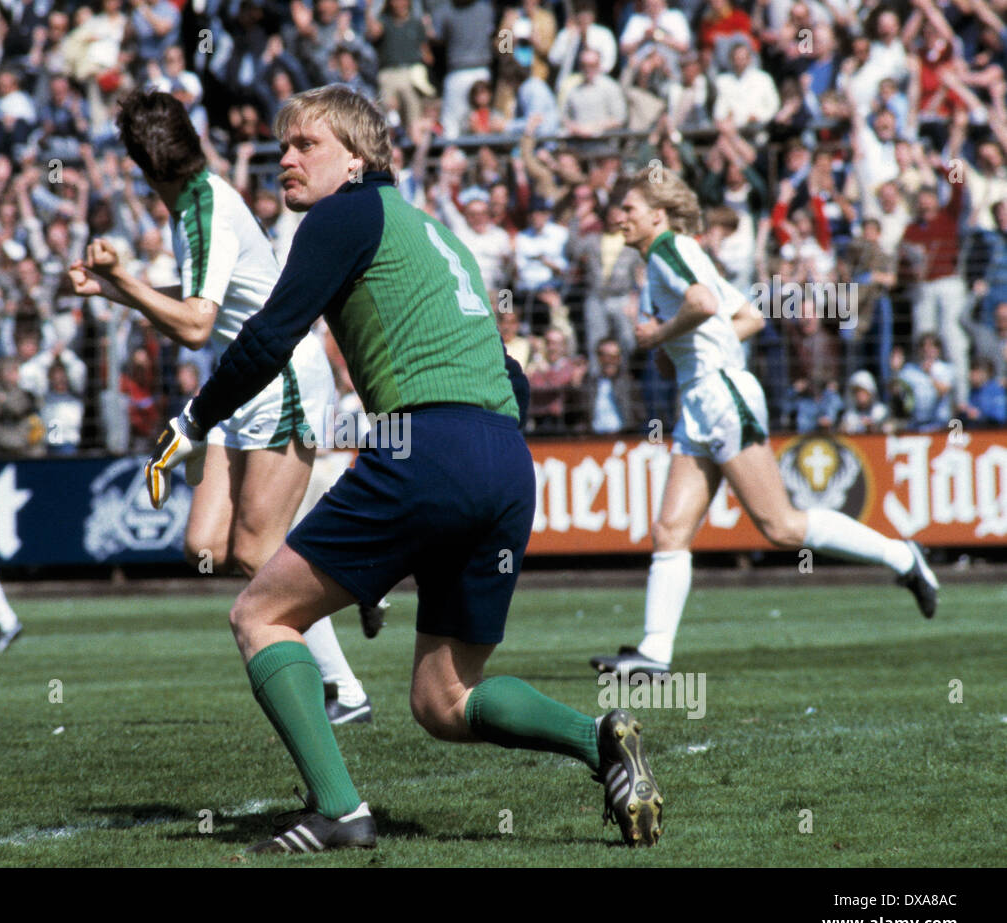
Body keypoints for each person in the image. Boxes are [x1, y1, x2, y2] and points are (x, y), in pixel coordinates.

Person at [143, 85, 664, 853]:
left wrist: (192, 421)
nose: (284, 157)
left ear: (356, 157)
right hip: (504, 461)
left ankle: (340, 811)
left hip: (429, 449)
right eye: (280, 145)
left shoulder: (343, 213)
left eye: (305, 145)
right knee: (444, 700)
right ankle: (602, 741)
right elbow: (511, 376)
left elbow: (269, 336)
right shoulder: (433, 232)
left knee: (260, 614)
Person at [69, 89, 371, 724]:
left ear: (140, 163)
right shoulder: (195, 203)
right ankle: (354, 576)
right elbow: (200, 298)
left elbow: (197, 325)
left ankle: (344, 688)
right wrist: (112, 288)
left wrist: (122, 279)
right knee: (204, 544)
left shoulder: (203, 208)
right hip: (241, 383)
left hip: (279, 373)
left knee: (260, 556)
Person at [588, 169, 940, 680]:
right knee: (670, 531)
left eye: (629, 209)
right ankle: (654, 656)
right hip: (701, 399)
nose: (619, 216)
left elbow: (703, 306)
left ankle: (903, 555)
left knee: (781, 526)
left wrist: (661, 334)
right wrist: (671, 344)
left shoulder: (669, 249)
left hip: (721, 393)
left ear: (657, 215)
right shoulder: (669, 259)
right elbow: (749, 315)